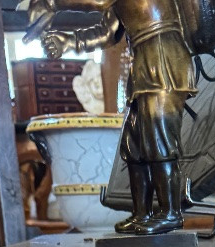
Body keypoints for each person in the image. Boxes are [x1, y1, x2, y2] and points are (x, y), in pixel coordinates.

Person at [26, 0, 197, 234]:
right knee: (133, 147)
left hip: (164, 59)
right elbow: (107, 32)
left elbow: (98, 1)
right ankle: (141, 213)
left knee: (160, 142)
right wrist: (68, 40)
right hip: (143, 64)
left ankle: (170, 213)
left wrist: (51, 3)